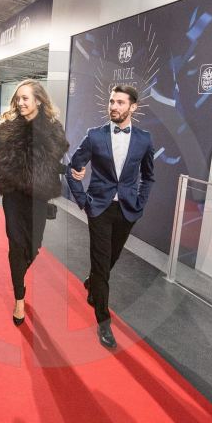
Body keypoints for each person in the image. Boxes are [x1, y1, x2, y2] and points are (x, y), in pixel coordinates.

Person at [66, 85, 155, 349]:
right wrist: (83, 201)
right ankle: (103, 321)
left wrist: (140, 203)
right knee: (102, 263)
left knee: (111, 258)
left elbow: (149, 175)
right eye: (111, 101)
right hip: (100, 209)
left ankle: (93, 282)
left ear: (133, 107)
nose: (114, 106)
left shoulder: (144, 139)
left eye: (120, 102)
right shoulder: (95, 136)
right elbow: (74, 168)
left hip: (127, 210)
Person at [0, 80, 69, 326]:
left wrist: (71, 169)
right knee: (16, 246)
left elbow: (51, 164)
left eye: (25, 98)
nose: (20, 103)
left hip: (38, 198)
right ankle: (19, 298)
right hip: (13, 197)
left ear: (39, 100)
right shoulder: (8, 129)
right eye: (17, 99)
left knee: (34, 246)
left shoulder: (52, 130)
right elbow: (1, 168)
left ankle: (20, 269)